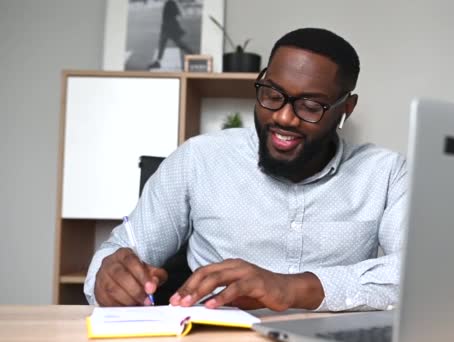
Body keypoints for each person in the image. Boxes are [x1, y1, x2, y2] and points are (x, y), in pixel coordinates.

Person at [85, 28, 407, 312]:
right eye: (272, 95)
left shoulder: (387, 174)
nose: (283, 117)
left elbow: (421, 275)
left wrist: (292, 288)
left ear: (346, 109)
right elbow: (117, 252)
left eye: (310, 106)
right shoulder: (197, 159)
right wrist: (110, 279)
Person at [147, 0, 194, 69]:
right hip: (167, 27)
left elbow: (179, 14)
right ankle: (158, 62)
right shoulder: (169, 3)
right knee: (164, 44)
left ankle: (193, 55)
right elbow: (178, 15)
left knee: (178, 44)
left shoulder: (171, 3)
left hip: (170, 27)